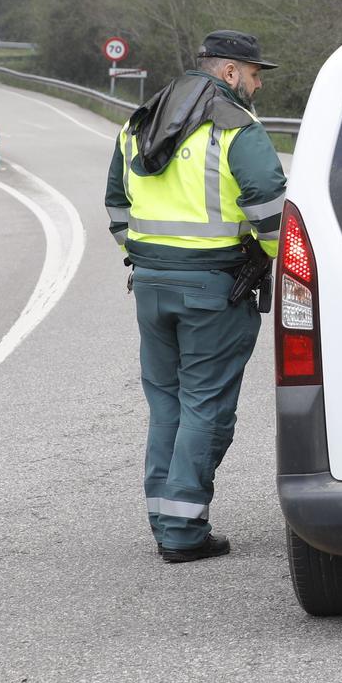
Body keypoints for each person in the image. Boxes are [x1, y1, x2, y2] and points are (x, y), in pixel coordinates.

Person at [104, 31, 287, 563]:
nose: (256, 85)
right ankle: (182, 532)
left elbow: (117, 205)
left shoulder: (141, 120)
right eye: (254, 74)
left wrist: (149, 257)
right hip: (215, 289)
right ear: (229, 72)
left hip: (151, 285)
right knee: (206, 406)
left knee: (167, 405)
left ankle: (165, 519)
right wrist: (275, 257)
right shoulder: (236, 126)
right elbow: (271, 211)